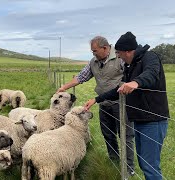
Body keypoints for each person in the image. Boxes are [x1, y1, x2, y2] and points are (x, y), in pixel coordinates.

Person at [84, 32, 169, 180]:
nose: (119, 57)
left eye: (120, 54)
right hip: (140, 120)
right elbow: (118, 90)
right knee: (144, 164)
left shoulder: (150, 57)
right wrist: (97, 99)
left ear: (129, 51)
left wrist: (136, 83)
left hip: (154, 120)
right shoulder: (131, 66)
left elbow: (151, 74)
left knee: (150, 165)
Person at [57, 36, 135, 174]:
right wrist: (64, 87)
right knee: (108, 134)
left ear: (105, 48)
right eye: (92, 51)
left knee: (125, 135)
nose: (93, 54)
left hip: (121, 104)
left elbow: (131, 75)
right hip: (103, 104)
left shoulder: (120, 58)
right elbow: (81, 77)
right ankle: (114, 162)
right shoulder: (94, 62)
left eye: (95, 51)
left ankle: (129, 168)